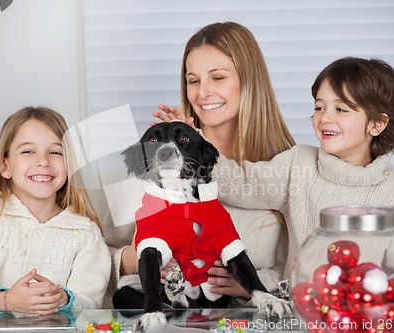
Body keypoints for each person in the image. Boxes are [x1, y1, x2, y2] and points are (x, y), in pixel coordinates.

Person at [212, 57, 394, 293]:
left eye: (341, 109)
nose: (325, 118)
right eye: (319, 107)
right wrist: (191, 143)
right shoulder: (299, 165)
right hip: (298, 320)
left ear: (377, 124)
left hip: (358, 322)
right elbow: (239, 184)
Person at [112, 21, 295, 306]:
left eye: (218, 78)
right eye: (193, 80)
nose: (202, 93)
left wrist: (248, 286)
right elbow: (96, 250)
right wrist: (131, 261)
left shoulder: (287, 167)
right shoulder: (153, 160)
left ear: (249, 81)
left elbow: (297, 269)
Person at [0, 106, 111, 314]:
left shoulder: (87, 234)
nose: (43, 161)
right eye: (28, 151)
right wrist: (4, 300)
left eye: (55, 152)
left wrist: (64, 299)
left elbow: (91, 302)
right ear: (5, 167)